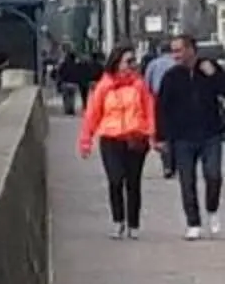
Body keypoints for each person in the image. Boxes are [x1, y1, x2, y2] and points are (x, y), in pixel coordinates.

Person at [82, 46, 158, 238]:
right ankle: (118, 221)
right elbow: (93, 114)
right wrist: (86, 140)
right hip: (111, 138)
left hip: (135, 138)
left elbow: (149, 111)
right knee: (115, 180)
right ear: (117, 63)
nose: (132, 65)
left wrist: (152, 134)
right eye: (128, 61)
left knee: (133, 183)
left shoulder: (139, 85)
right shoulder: (104, 86)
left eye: (134, 61)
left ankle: (133, 224)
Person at [169, 46, 225, 237]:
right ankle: (193, 223)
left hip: (211, 134)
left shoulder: (210, 69)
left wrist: (215, 75)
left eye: (179, 50)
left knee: (214, 175)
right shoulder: (172, 76)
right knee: (187, 181)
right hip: (182, 137)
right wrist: (161, 136)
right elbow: (163, 105)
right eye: (173, 51)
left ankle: (212, 209)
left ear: (191, 51)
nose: (175, 55)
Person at [149, 36, 194, 176]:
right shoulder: (176, 64)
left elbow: (147, 80)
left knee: (167, 134)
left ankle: (168, 165)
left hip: (159, 96)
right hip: (178, 99)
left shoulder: (154, 64)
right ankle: (176, 162)